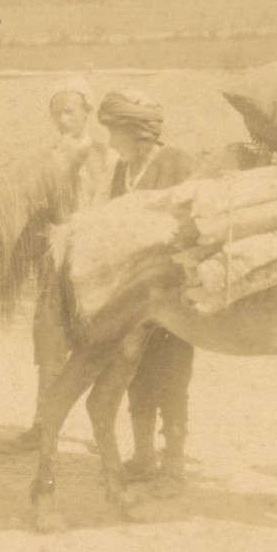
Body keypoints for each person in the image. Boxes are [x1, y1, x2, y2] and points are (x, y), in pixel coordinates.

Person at [0, 81, 116, 453]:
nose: (64, 120)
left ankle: (103, 426)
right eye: (57, 113)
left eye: (71, 112)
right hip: (56, 262)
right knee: (49, 344)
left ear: (87, 113)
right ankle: (43, 424)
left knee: (104, 342)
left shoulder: (107, 156)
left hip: (98, 258)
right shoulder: (45, 157)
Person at [99, 89, 199, 494]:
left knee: (172, 376)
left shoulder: (178, 163)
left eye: (115, 132)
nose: (109, 142)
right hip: (136, 295)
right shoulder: (122, 173)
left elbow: (199, 218)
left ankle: (173, 465)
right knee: (134, 371)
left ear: (139, 132)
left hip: (175, 293)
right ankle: (143, 455)